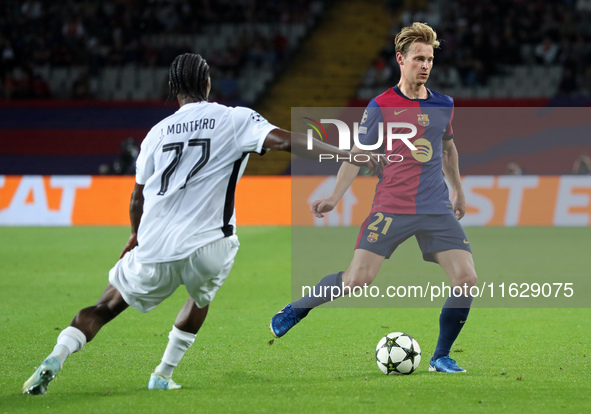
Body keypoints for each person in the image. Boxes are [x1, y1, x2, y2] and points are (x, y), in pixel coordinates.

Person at [22, 53, 377, 395]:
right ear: (207, 83)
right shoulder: (233, 118)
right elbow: (287, 141)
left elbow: (137, 198)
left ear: (174, 90)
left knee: (105, 306)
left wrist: (134, 234)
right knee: (200, 293)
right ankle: (163, 373)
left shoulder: (155, 134)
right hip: (211, 244)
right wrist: (349, 154)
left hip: (155, 244)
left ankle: (57, 356)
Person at [270, 22, 478, 373]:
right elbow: (357, 153)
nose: (425, 65)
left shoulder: (444, 104)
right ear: (401, 59)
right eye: (418, 58)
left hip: (435, 207)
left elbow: (448, 148)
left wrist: (458, 190)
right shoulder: (381, 105)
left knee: (466, 279)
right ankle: (298, 308)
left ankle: (441, 355)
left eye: (429, 59)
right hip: (391, 207)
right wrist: (334, 197)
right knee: (356, 280)